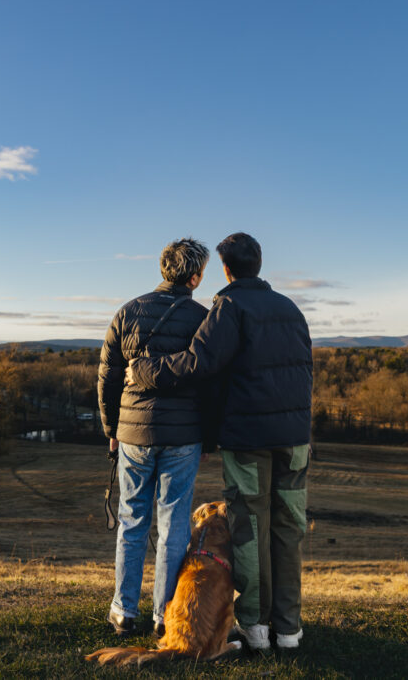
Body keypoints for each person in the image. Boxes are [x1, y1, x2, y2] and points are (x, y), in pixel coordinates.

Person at [126, 232, 312, 652]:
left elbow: (198, 362)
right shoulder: (291, 308)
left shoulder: (229, 305)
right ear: (259, 265)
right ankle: (290, 630)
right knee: (288, 530)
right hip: (296, 439)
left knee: (249, 529)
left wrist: (146, 372)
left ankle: (257, 629)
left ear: (226, 269)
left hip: (249, 439)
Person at [97, 237, 214, 639]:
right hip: (184, 436)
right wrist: (209, 437)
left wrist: (112, 431)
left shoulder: (128, 312)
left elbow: (108, 377)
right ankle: (164, 615)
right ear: (195, 277)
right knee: (174, 526)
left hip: (133, 433)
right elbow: (210, 379)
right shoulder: (204, 318)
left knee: (131, 521)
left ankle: (123, 611)